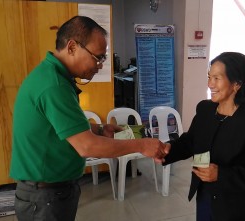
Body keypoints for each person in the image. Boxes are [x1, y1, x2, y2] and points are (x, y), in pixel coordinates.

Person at [9, 16, 169, 221]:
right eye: (98, 57)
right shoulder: (53, 86)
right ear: (72, 46)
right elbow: (87, 146)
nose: (100, 65)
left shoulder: (54, 77)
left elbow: (61, 128)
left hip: (49, 192)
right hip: (44, 198)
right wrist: (141, 145)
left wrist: (100, 130)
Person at [163, 52, 245, 221]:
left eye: (217, 78)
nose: (210, 84)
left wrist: (221, 175)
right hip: (205, 193)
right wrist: (168, 150)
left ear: (236, 83)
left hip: (237, 205)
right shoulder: (205, 110)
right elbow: (191, 141)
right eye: (209, 77)